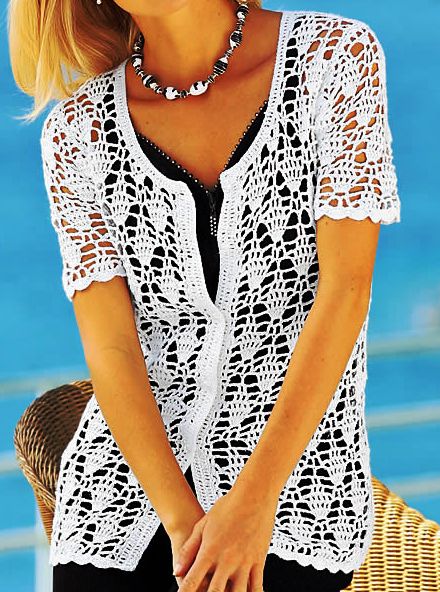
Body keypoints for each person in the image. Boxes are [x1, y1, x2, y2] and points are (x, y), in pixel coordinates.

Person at [8, 0, 401, 590]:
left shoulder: (332, 57)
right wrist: (182, 525)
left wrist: (252, 506)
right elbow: (112, 348)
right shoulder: (77, 133)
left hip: (296, 499)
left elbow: (345, 292)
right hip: (123, 503)